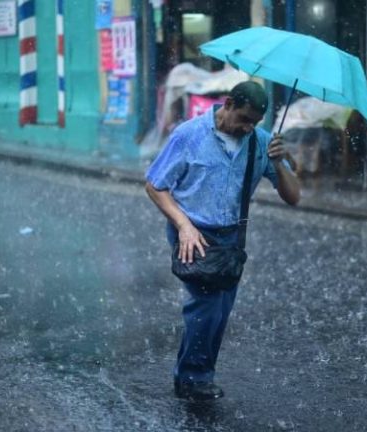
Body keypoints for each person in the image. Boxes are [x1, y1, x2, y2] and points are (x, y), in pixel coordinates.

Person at [145, 81, 301, 401]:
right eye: (244, 119)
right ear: (228, 103)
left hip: (231, 238)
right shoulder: (189, 135)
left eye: (255, 123)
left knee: (220, 311)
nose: (248, 128)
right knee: (206, 306)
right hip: (192, 230)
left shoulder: (261, 142)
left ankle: (196, 374)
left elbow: (294, 196)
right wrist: (184, 226)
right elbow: (155, 185)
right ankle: (193, 377)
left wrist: (279, 163)